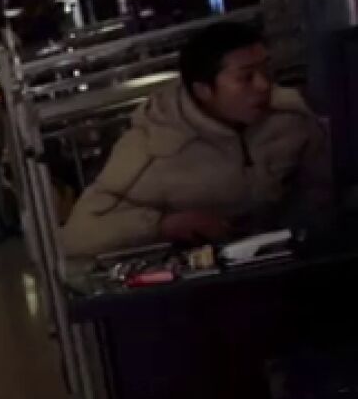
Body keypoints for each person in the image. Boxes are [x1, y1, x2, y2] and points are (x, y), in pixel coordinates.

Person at [61, 23, 332, 258]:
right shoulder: (154, 146)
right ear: (203, 90)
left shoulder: (290, 116)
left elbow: (325, 186)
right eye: (246, 77)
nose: (263, 86)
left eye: (266, 71)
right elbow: (78, 235)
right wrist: (164, 225)